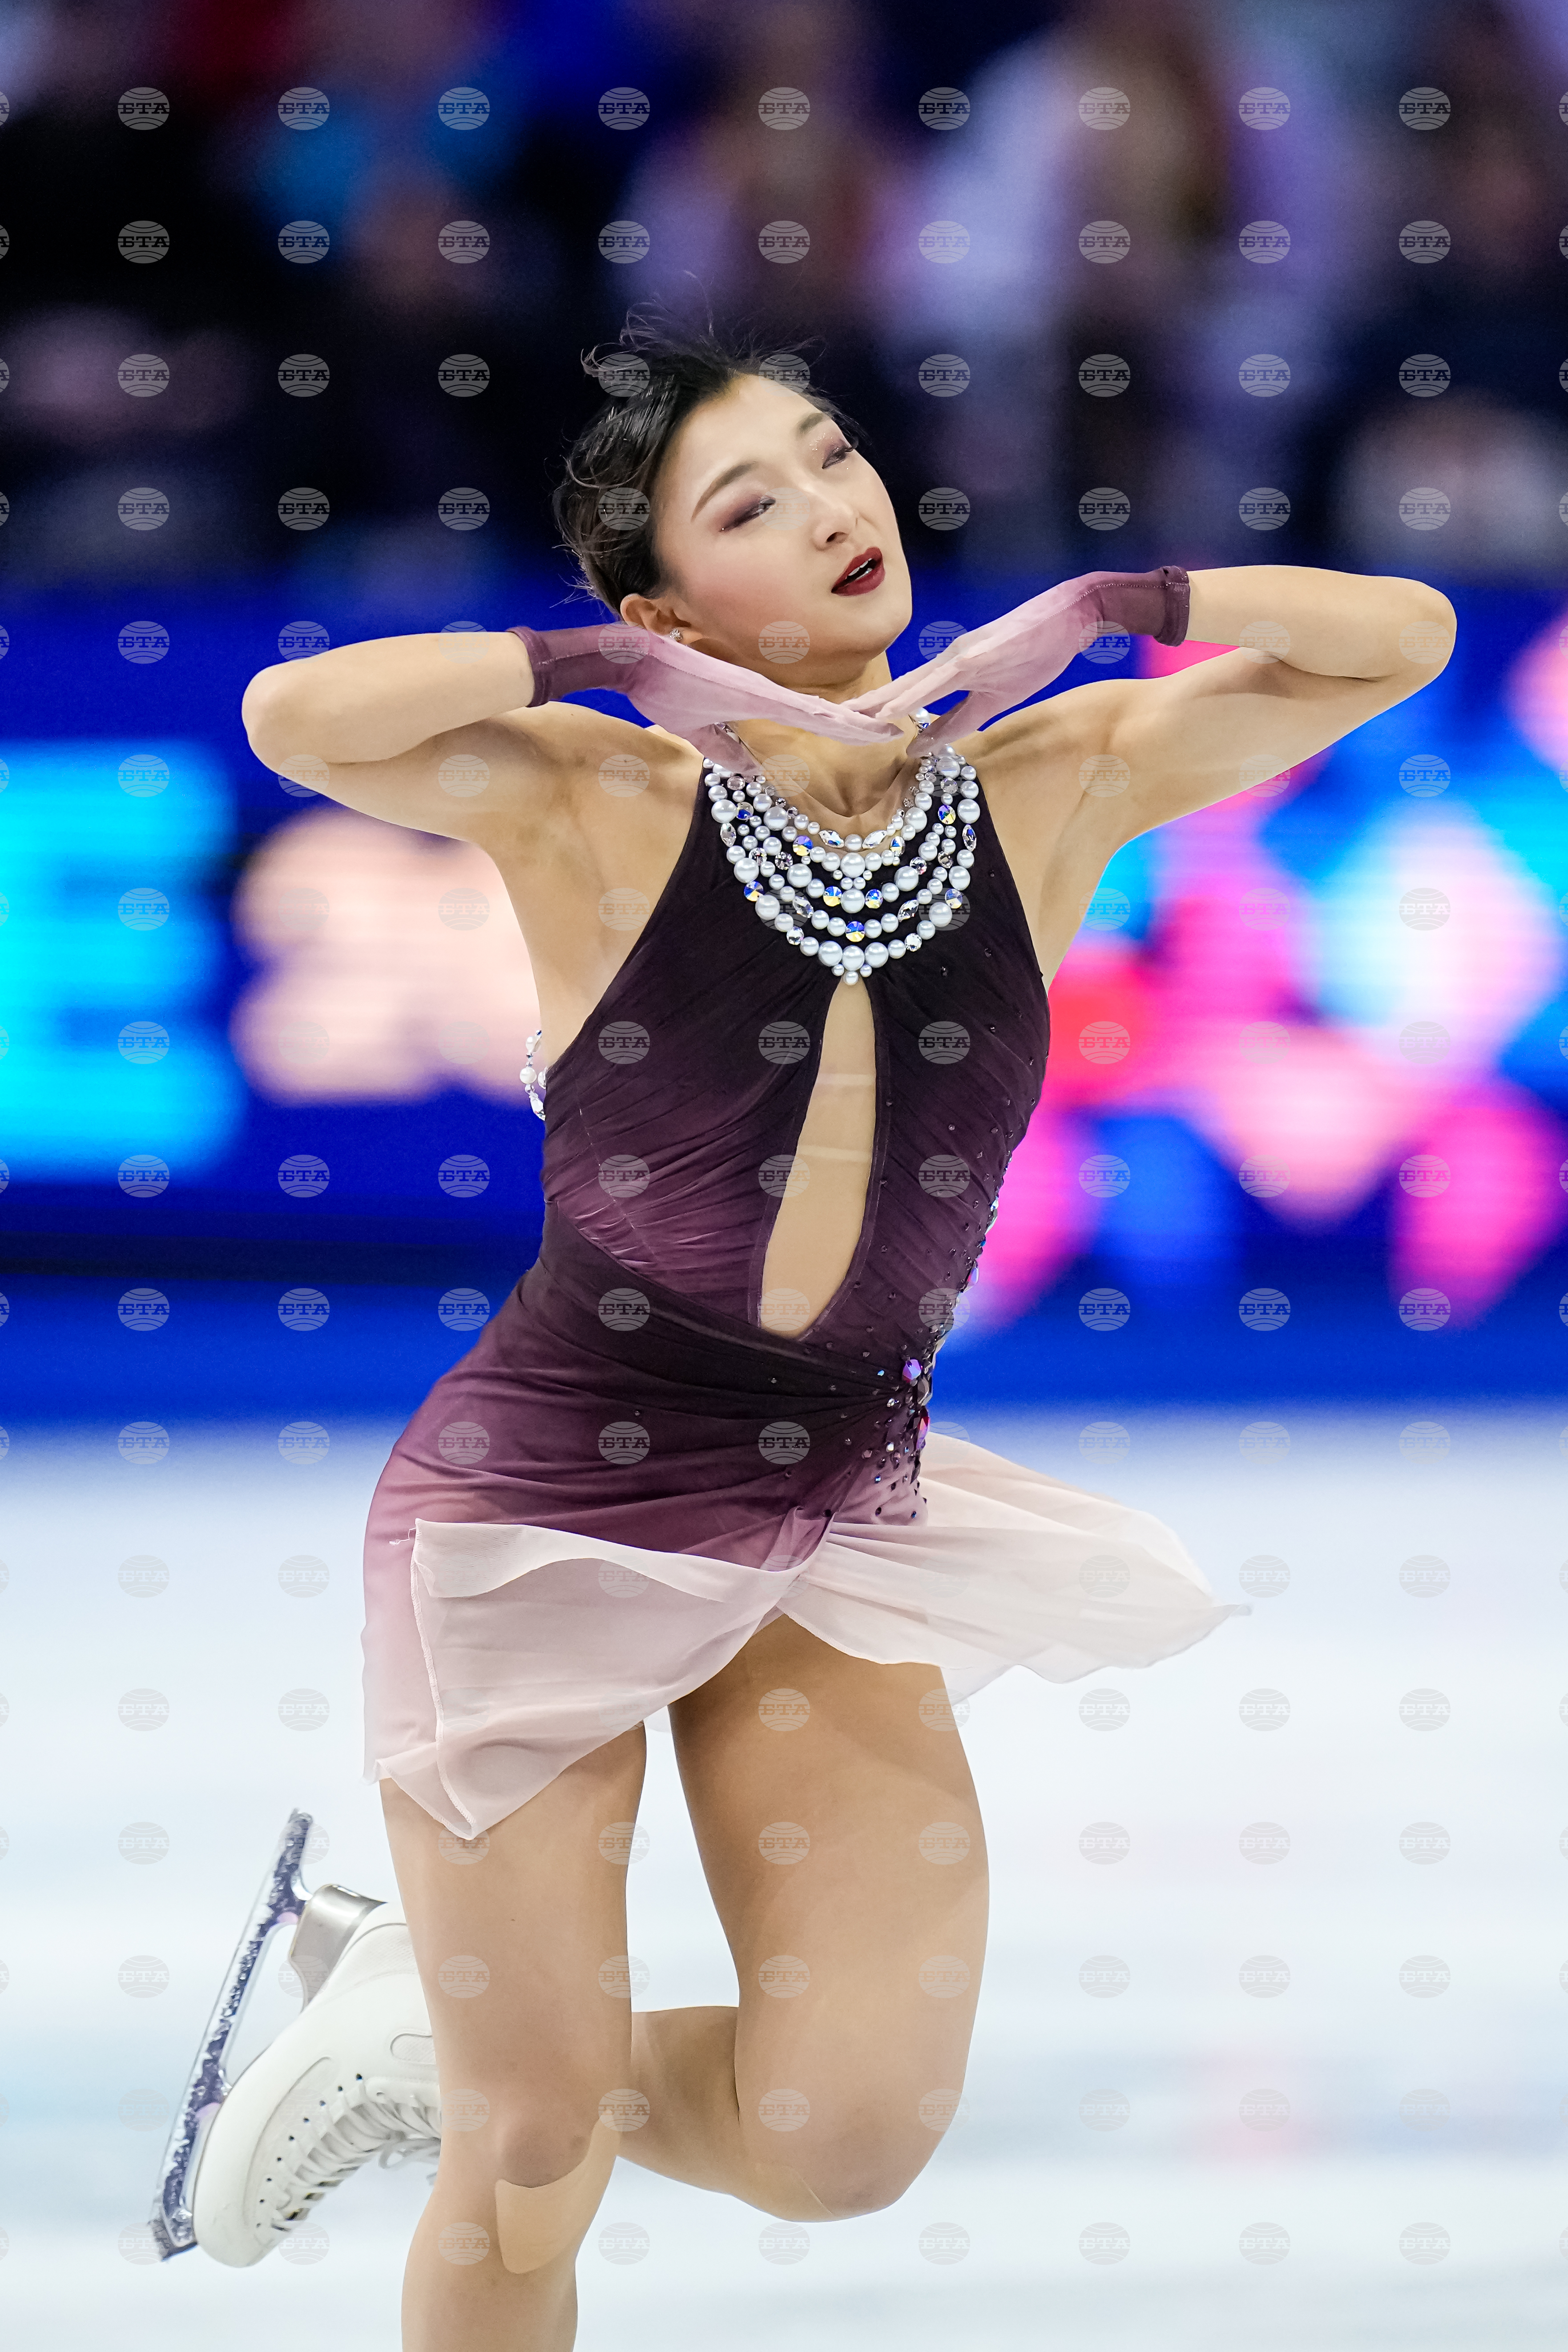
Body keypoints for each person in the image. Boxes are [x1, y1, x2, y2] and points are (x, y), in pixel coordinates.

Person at [165, 319, 1454, 2348]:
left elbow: (1399, 638)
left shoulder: (1049, 780)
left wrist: (1116, 609)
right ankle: (504, 2082)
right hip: (544, 1503)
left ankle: (433, 2040)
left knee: (844, 2131)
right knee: (536, 2157)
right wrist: (606, 668)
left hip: (842, 1505)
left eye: (833, 457)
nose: (835, 507)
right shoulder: (593, 794)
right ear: (673, 598)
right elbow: (296, 714)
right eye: (751, 504)